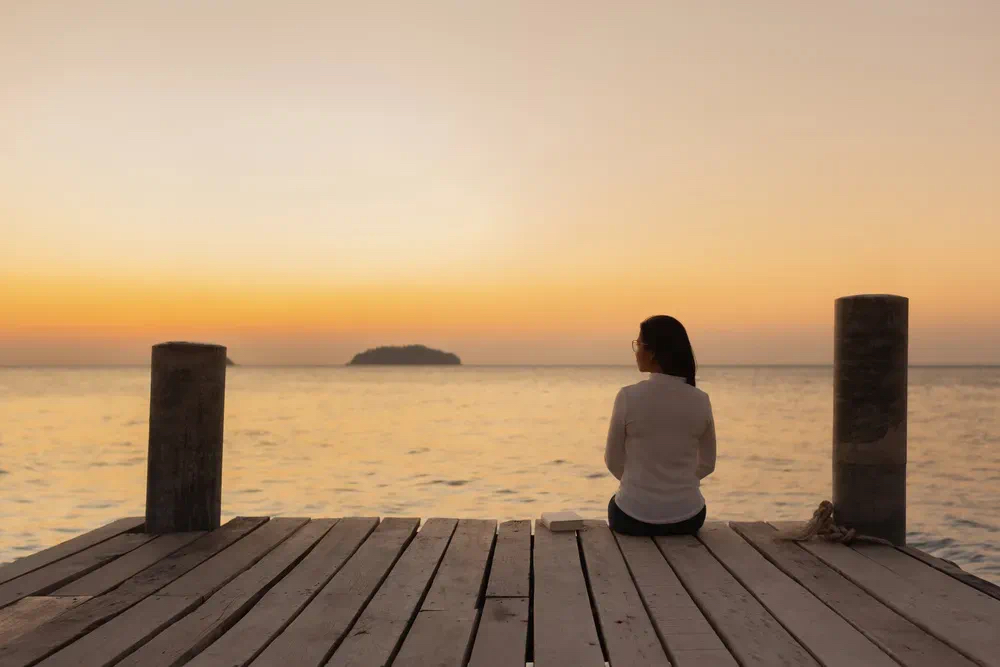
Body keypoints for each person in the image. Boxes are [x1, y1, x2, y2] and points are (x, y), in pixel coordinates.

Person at [604, 315, 716, 536]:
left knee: (614, 502)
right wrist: (677, 486)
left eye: (638, 345)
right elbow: (708, 464)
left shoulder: (628, 396)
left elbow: (613, 460)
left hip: (632, 517)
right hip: (689, 517)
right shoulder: (701, 399)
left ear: (653, 352)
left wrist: (641, 487)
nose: (636, 352)